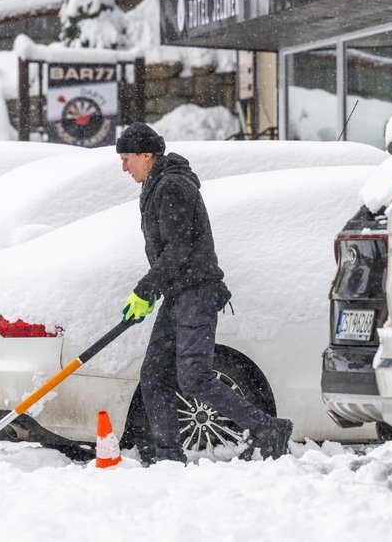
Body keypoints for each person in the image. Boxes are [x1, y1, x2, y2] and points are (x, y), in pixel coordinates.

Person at [116, 122, 293, 464]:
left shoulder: (173, 186)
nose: (124, 167)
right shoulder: (156, 184)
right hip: (179, 292)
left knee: (194, 377)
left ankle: (268, 428)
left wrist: (145, 289)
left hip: (196, 291)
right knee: (154, 373)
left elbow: (178, 248)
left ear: (146, 155)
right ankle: (167, 453)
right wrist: (154, 291)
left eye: (127, 158)